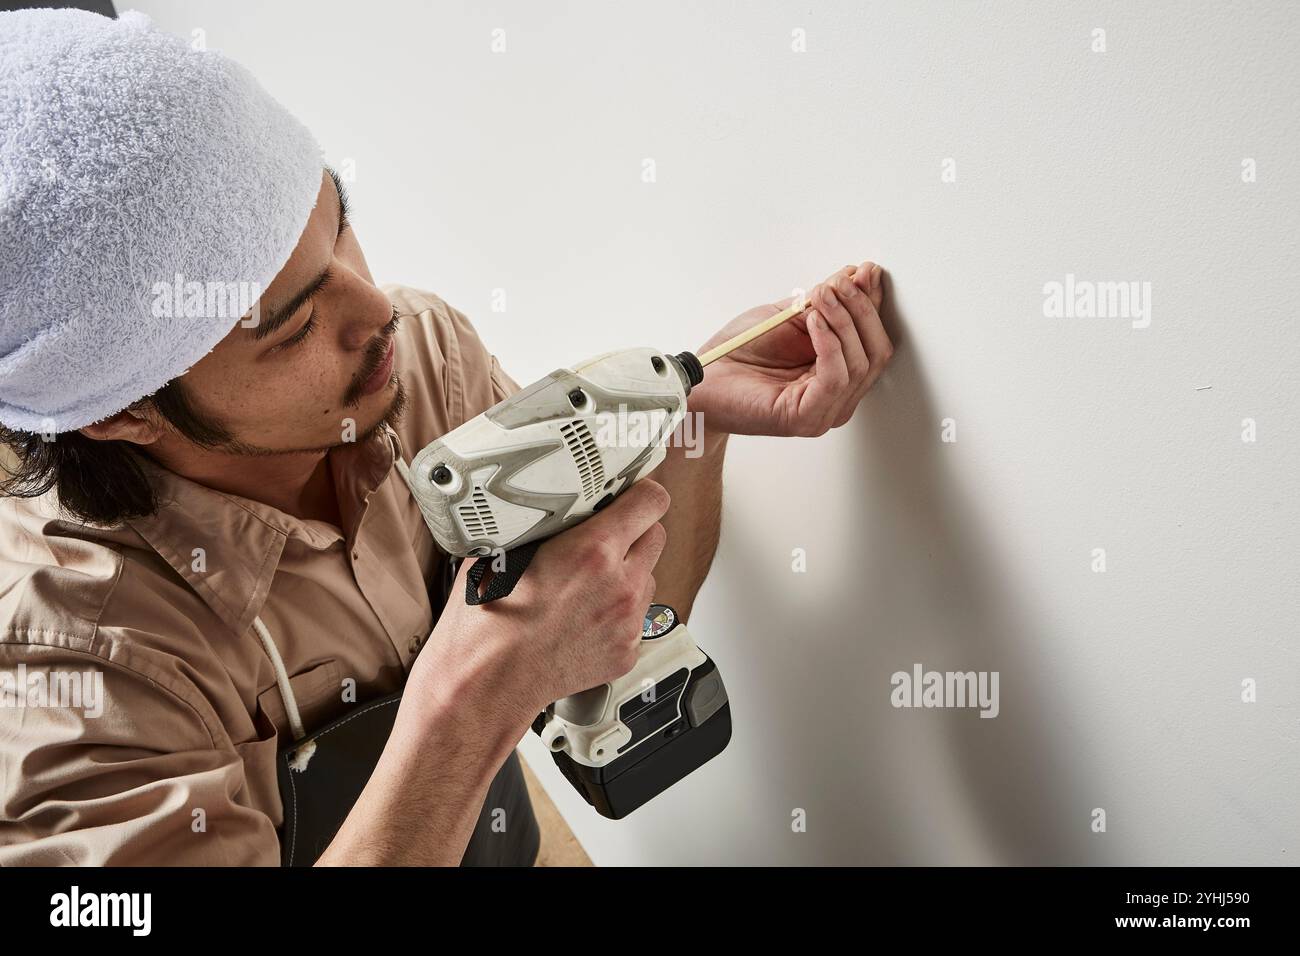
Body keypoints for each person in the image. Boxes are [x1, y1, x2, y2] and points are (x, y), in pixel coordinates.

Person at [0, 8, 893, 866]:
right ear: (123, 412)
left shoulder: (426, 363)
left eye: (339, 224)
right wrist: (467, 709)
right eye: (293, 328)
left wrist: (689, 419)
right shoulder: (71, 677)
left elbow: (616, 635)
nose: (376, 309)